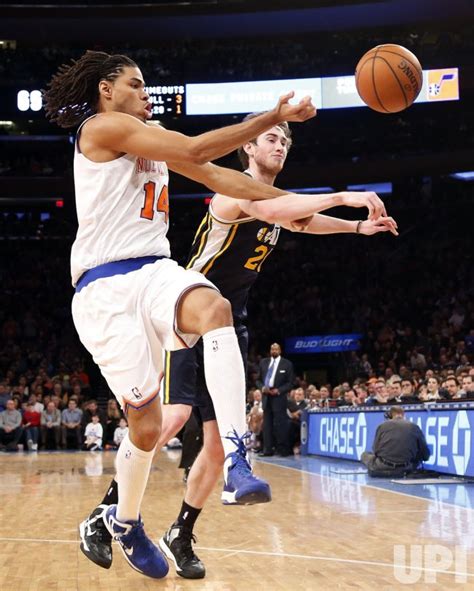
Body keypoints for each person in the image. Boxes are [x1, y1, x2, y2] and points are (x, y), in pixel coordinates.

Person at [74, 97, 397, 580]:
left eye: (285, 140)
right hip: (182, 315)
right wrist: (343, 196)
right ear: (247, 146)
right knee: (170, 416)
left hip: (230, 322)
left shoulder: (274, 201)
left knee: (214, 443)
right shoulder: (233, 194)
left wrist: (355, 228)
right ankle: (107, 512)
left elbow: (298, 218)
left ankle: (181, 531)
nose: (280, 144)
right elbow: (283, 207)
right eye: (272, 136)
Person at [44, 49, 321, 580]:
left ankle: (239, 462)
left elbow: (231, 182)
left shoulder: (153, 137)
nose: (147, 92)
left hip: (154, 270)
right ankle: (122, 521)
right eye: (136, 83)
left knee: (214, 307)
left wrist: (329, 202)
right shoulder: (101, 128)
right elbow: (195, 146)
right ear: (106, 90)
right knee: (146, 429)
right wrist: (272, 117)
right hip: (103, 288)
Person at [361, 406, 430, 477]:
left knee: (365, 455)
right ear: (403, 415)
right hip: (406, 468)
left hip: (382, 466)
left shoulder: (382, 426)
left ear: (390, 415)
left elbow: (375, 450)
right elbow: (425, 454)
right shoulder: (414, 426)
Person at [258, 343, 294, 456]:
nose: (274, 350)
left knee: (280, 424)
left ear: (280, 351)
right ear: (270, 350)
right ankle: (267, 450)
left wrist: (279, 390)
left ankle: (282, 450)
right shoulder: (263, 362)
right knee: (267, 425)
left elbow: (290, 383)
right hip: (266, 397)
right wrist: (262, 387)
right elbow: (258, 380)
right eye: (272, 349)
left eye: (276, 349)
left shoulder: (287, 364)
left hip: (279, 397)